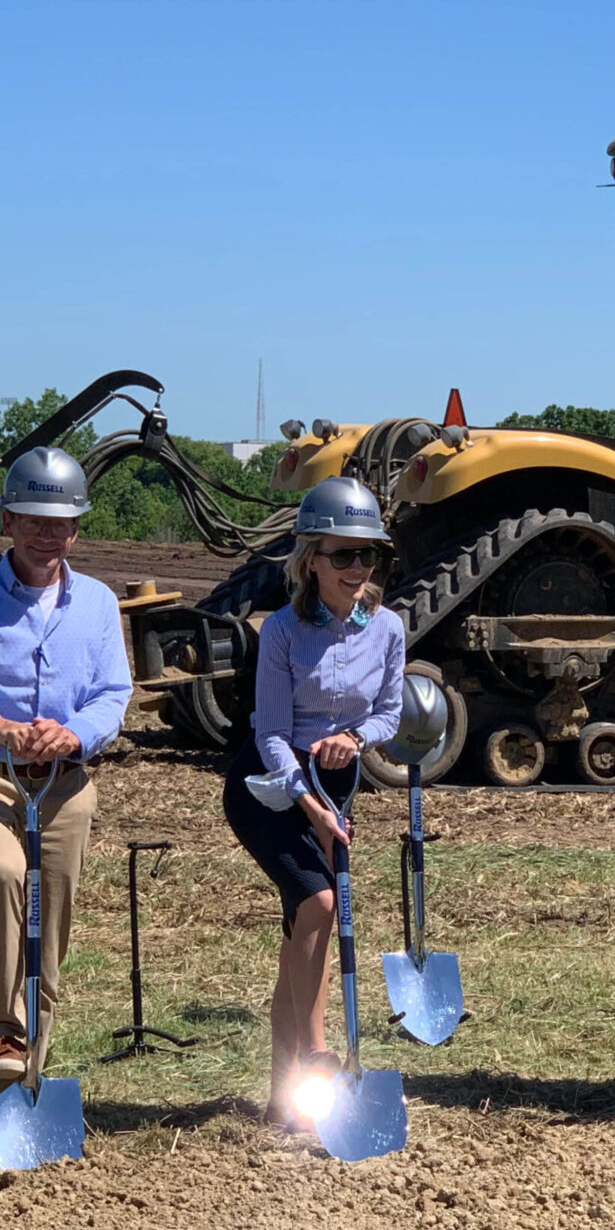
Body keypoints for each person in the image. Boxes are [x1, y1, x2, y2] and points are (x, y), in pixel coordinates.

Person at [0, 446, 131, 1084]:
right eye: (33, 521)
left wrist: (73, 735)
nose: (47, 535)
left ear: (76, 528)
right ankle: (3, 1035)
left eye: (60, 523)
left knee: (52, 907)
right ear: (7, 522)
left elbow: (113, 696)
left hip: (64, 783)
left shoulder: (96, 603)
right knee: (6, 872)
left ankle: (35, 1052)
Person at [222, 477, 405, 1128]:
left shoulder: (386, 629)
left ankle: (283, 1095)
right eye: (343, 555)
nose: (357, 570)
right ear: (311, 562)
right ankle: (320, 1055)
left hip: (338, 782)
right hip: (271, 787)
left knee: (305, 932)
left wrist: (355, 738)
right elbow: (270, 732)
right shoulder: (282, 631)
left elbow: (389, 713)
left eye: (368, 556)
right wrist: (313, 808)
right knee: (321, 905)